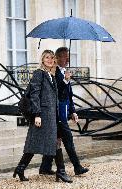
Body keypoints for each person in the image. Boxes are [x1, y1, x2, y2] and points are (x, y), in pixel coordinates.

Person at [13, 50, 72, 183]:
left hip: (51, 116)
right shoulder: (39, 74)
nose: (50, 60)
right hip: (43, 116)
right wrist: (37, 115)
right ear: (42, 59)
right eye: (47, 57)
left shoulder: (50, 75)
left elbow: (57, 95)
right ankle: (61, 172)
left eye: (52, 58)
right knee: (51, 142)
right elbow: (34, 95)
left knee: (42, 143)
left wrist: (66, 80)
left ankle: (20, 168)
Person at [39, 47, 89, 176]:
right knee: (67, 138)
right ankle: (77, 167)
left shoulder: (64, 71)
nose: (67, 59)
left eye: (68, 56)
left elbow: (68, 95)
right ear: (57, 57)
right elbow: (57, 91)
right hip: (56, 112)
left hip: (63, 111)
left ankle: (45, 167)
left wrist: (73, 111)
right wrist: (66, 80)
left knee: (56, 139)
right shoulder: (53, 71)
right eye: (65, 56)